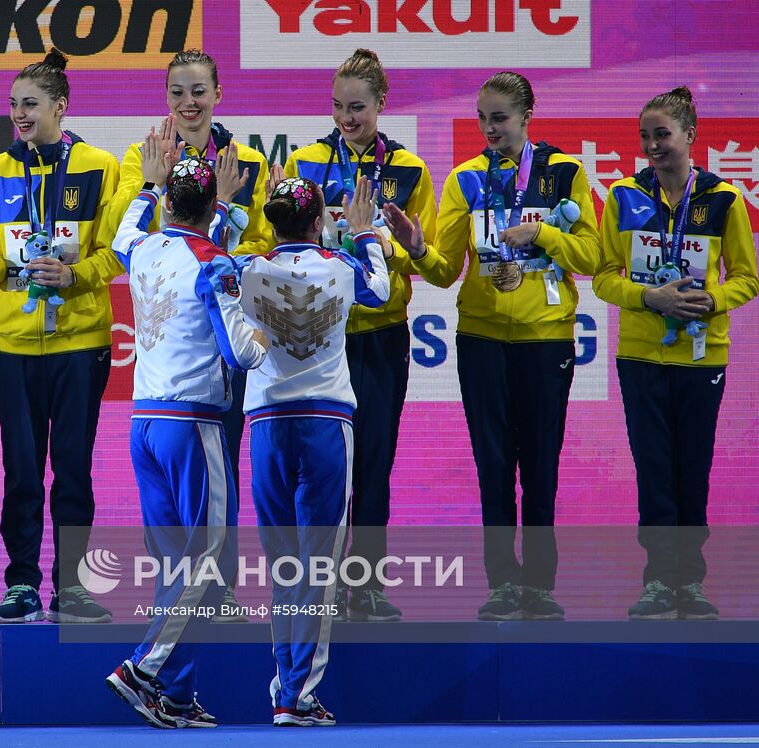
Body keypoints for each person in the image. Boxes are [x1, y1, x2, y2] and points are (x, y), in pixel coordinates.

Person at [0, 49, 121, 625]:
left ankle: (72, 587)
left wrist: (75, 276)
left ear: (60, 107)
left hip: (80, 342)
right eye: (14, 105)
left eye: (31, 104)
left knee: (72, 467)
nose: (20, 115)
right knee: (21, 469)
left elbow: (113, 252)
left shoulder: (100, 165)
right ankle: (21, 583)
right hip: (14, 344)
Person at [284, 49, 457, 623]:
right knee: (322, 464)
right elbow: (279, 239)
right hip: (320, 337)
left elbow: (430, 265)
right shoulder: (305, 161)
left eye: (356, 107)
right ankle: (320, 582)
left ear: (382, 105)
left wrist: (395, 247)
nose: (345, 118)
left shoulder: (409, 170)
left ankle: (370, 585)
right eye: (336, 107)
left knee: (374, 462)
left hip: (381, 336)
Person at [101, 141, 267, 728]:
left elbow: (123, 232)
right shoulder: (213, 261)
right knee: (212, 564)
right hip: (192, 426)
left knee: (179, 568)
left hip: (143, 422)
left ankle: (174, 694)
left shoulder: (141, 246)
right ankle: (143, 669)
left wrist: (148, 186)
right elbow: (240, 354)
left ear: (168, 202)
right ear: (210, 207)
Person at [436, 71, 601, 621]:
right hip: (481, 340)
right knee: (492, 465)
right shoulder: (463, 179)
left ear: (527, 116)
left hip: (544, 339)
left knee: (541, 464)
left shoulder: (564, 173)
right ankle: (501, 584)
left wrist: (542, 234)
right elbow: (442, 270)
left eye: (499, 117)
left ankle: (540, 586)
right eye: (483, 117)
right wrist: (414, 250)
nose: (489, 128)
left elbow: (591, 257)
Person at [593, 86, 757, 620]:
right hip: (640, 357)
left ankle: (692, 583)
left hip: (701, 357)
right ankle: (659, 581)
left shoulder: (724, 199)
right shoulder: (622, 196)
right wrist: (649, 297)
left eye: (661, 134)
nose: (651, 146)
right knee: (654, 469)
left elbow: (747, 278)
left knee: (694, 469)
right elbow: (602, 277)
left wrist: (711, 300)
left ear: (691, 135)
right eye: (644, 136)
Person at [243, 175, 389, 726]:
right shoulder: (341, 266)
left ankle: (287, 681)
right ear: (317, 223)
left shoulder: (250, 269)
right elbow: (381, 289)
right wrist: (365, 231)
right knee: (318, 567)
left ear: (273, 223)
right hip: (325, 425)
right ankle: (296, 696)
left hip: (266, 426)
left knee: (282, 565)